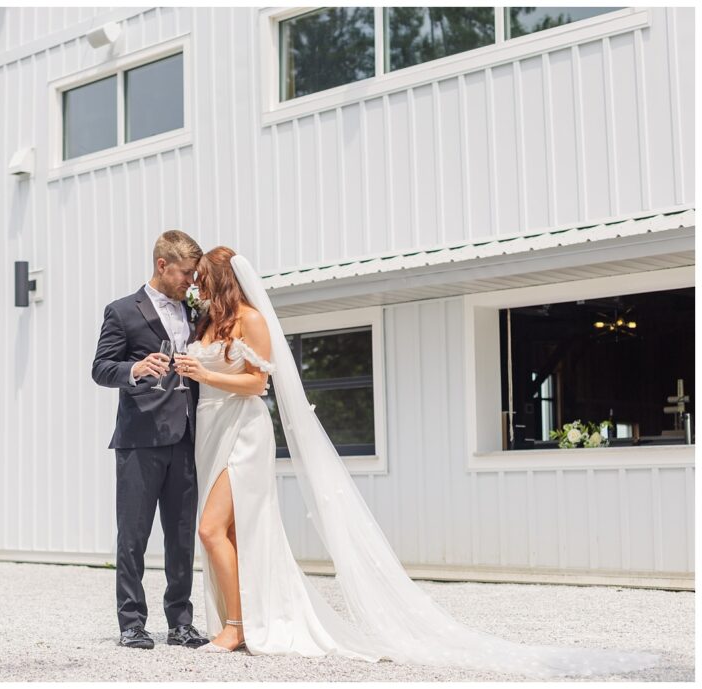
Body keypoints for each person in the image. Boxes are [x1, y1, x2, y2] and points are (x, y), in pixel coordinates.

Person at [171, 247, 659, 677]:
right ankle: (241, 619)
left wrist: (204, 376)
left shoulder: (252, 319)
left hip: (243, 434)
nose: (197, 288)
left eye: (203, 281)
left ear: (222, 281)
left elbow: (259, 385)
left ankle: (235, 628)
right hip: (211, 431)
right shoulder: (209, 322)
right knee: (230, 535)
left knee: (211, 530)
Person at [91, 230, 209, 650]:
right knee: (134, 534)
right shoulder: (122, 311)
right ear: (162, 265)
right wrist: (136, 369)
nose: (191, 282)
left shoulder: (195, 312)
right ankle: (131, 623)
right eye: (185, 273)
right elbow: (101, 368)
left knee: (180, 535)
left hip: (185, 437)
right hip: (139, 439)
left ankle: (180, 622)